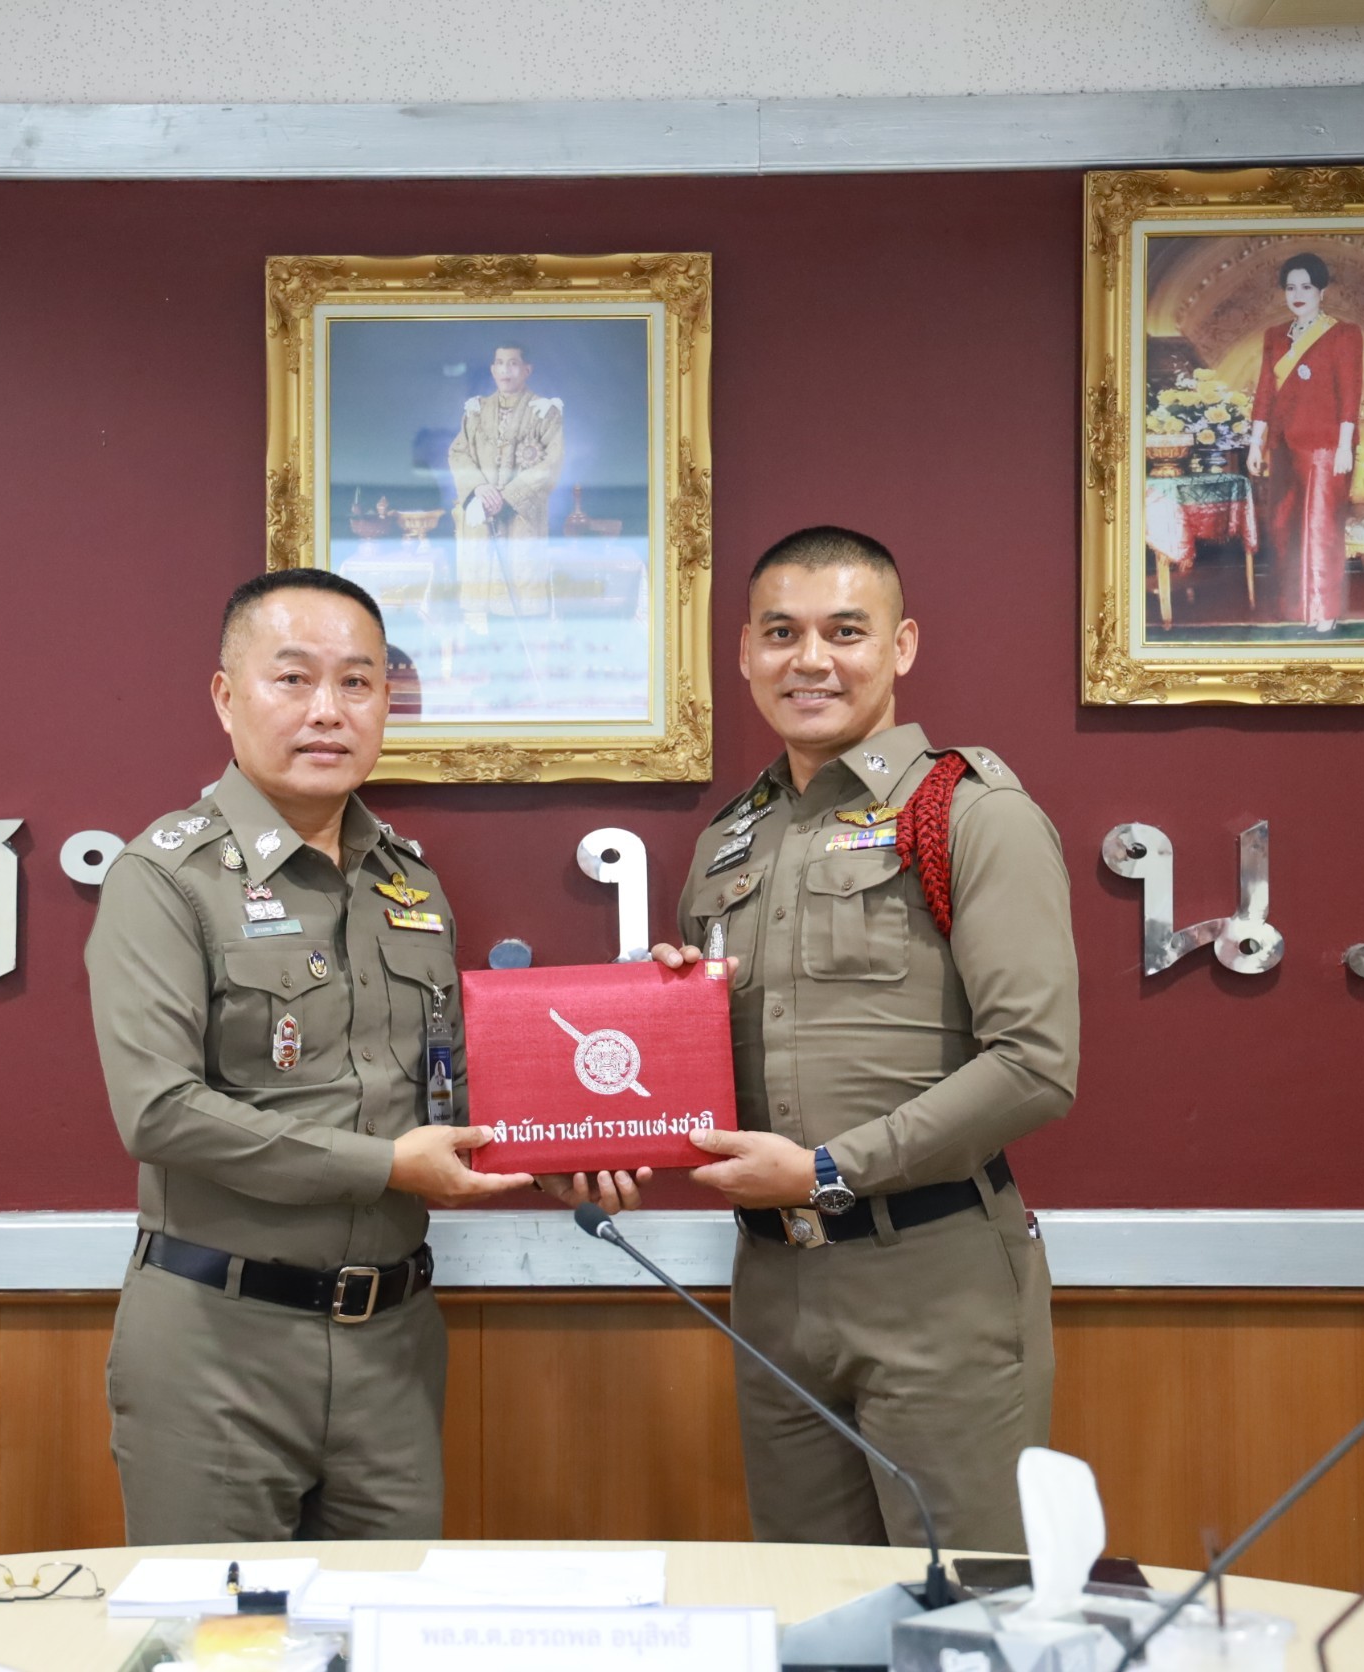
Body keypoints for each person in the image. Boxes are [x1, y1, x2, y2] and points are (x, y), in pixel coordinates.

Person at [649, 525, 1078, 1552]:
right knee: (816, 1607)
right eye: (781, 633)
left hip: (933, 1278)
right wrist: (663, 1026)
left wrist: (828, 1171)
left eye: (845, 631)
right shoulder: (726, 845)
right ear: (744, 653)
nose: (812, 660)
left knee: (968, 1606)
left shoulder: (968, 813)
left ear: (902, 646)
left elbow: (1035, 1065)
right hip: (775, 1287)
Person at [84, 567, 533, 1543]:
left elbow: (451, 1089)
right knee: (217, 1625)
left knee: (391, 1622)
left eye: (358, 682)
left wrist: (592, 1128)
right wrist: (385, 1167)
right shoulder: (165, 877)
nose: (328, 710)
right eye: (293, 679)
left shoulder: (411, 885)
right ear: (226, 696)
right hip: (219, 1343)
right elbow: (158, 1110)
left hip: (394, 1348)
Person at [1245, 253, 1364, 634]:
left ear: (1321, 291)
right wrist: (1255, 443)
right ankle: (1296, 608)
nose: (1297, 294)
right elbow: (1265, 391)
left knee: (1320, 528)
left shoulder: (1343, 334)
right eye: (1291, 287)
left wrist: (1344, 446)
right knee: (1285, 528)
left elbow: (1350, 393)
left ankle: (1324, 610)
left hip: (1325, 449)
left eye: (1306, 287)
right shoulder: (1274, 336)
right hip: (1283, 446)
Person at [447, 341, 564, 635]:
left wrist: (508, 497)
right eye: (500, 363)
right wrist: (479, 488)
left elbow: (551, 463)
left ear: (527, 370)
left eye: (513, 363)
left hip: (521, 519)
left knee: (520, 594)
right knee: (481, 602)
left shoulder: (544, 412)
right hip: (481, 516)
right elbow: (458, 453)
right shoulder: (476, 411)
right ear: (492, 369)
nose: (505, 370)